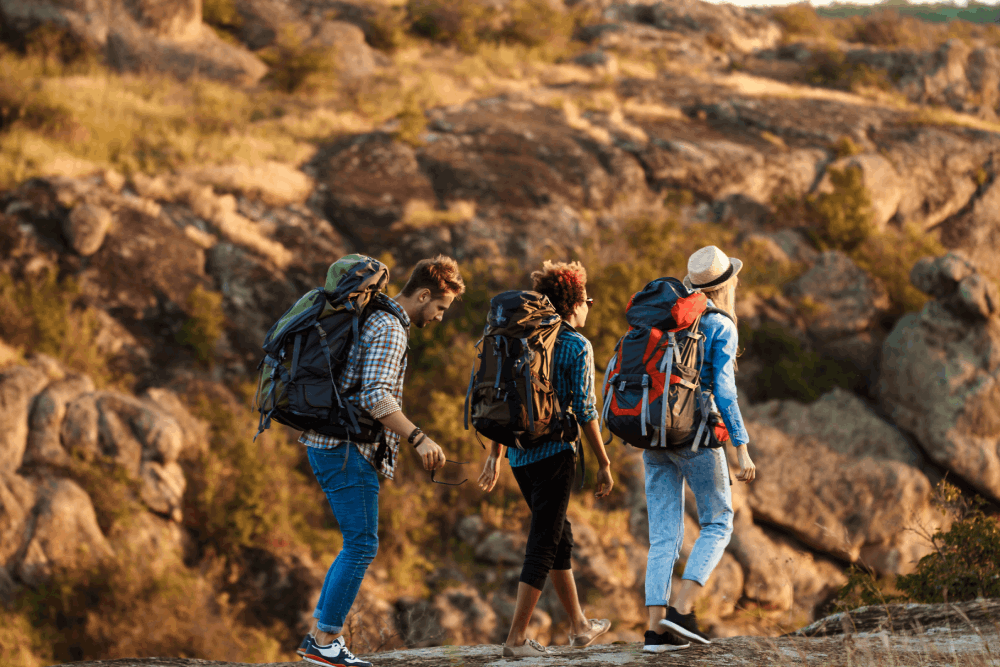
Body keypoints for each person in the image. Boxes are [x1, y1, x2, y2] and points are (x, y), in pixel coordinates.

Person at [299, 256, 466, 667]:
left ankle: (319, 639)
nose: (441, 318)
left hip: (330, 442)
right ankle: (324, 642)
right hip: (346, 448)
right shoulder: (390, 327)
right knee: (361, 544)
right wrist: (419, 437)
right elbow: (375, 394)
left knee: (356, 542)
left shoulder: (374, 316)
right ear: (424, 295)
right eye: (441, 308)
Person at [477, 260, 615, 659]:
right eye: (587, 300)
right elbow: (586, 411)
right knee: (543, 541)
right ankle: (516, 640)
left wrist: (496, 454)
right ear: (573, 305)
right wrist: (604, 463)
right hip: (555, 454)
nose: (590, 306)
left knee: (559, 538)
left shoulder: (521, 338)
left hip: (520, 457)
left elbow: (507, 399)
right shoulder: (575, 344)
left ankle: (579, 626)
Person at [642, 245, 757, 654]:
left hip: (653, 431)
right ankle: (682, 610)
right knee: (718, 520)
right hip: (695, 431)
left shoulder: (667, 317)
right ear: (728, 284)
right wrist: (741, 447)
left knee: (662, 536)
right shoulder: (721, 325)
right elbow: (724, 391)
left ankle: (656, 632)